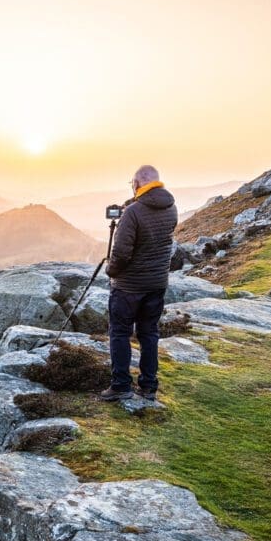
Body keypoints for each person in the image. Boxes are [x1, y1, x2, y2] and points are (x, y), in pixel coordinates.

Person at [99, 165, 178, 403]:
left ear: (137, 183)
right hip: (156, 284)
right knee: (149, 334)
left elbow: (121, 254)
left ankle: (121, 385)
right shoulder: (171, 207)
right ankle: (149, 385)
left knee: (120, 333)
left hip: (129, 287)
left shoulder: (133, 213)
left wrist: (110, 270)